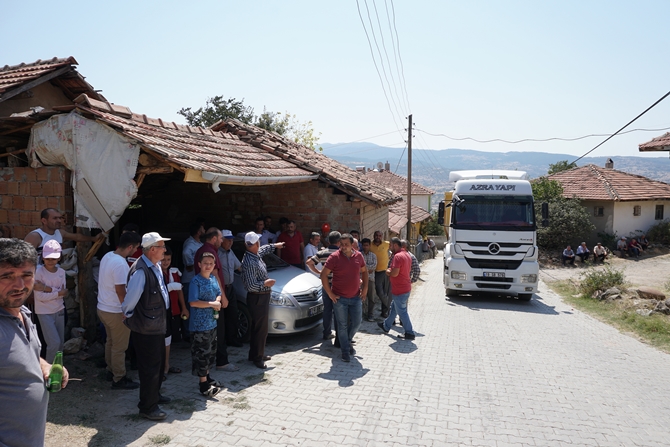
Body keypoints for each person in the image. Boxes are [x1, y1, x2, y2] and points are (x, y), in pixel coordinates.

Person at [0, 238, 69, 447]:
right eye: (7, 276)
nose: (20, 285)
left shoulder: (24, 313)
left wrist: (45, 366)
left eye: (27, 275)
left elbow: (22, 355)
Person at [123, 232, 173, 421]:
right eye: (161, 246)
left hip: (157, 323)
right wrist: (127, 315)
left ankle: (155, 395)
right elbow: (130, 299)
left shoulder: (155, 265)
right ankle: (147, 406)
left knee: (157, 364)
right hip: (146, 326)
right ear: (152, 249)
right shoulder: (141, 271)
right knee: (149, 368)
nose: (164, 250)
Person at [97, 231, 142, 389]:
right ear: (130, 247)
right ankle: (119, 378)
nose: (136, 251)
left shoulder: (108, 256)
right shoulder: (121, 264)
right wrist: (127, 311)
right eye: (135, 248)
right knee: (119, 347)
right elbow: (121, 291)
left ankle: (111, 370)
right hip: (115, 310)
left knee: (110, 342)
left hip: (103, 308)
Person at [194, 228, 237, 372]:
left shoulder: (204, 250)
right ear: (213, 239)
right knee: (219, 330)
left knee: (212, 330)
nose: (222, 241)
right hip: (212, 298)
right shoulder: (210, 252)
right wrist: (223, 296)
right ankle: (221, 361)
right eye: (220, 238)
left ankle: (209, 362)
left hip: (207, 297)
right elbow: (215, 275)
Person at [321, 233, 368, 362]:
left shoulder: (358, 256)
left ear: (352, 244)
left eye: (346, 244)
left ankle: (346, 342)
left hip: (355, 297)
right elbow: (323, 275)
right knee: (342, 326)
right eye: (341, 244)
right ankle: (345, 351)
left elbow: (365, 272)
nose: (343, 247)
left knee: (357, 323)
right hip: (339, 299)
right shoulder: (334, 257)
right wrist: (330, 293)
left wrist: (365, 289)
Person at [241, 232, 284, 369]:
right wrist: (266, 284)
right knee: (261, 329)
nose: (259, 243)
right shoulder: (249, 262)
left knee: (257, 328)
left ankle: (255, 354)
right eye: (257, 241)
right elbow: (250, 285)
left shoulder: (254, 253)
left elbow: (263, 249)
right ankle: (258, 358)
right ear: (253, 244)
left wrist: (274, 246)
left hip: (260, 297)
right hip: (257, 297)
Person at [189, 252, 224, 397]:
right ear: (199, 265)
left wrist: (218, 300)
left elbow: (218, 293)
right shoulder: (195, 281)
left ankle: (208, 378)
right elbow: (193, 302)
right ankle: (203, 385)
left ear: (214, 265)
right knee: (201, 354)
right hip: (199, 325)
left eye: (211, 263)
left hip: (212, 323)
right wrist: (213, 304)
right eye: (205, 263)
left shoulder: (213, 279)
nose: (208, 265)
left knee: (210, 352)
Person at [33, 240, 67, 362]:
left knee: (60, 344)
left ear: (59, 258)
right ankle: (49, 373)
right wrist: (56, 292)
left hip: (59, 309)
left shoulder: (61, 272)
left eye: (54, 258)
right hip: (44, 312)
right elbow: (40, 297)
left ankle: (58, 370)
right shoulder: (38, 272)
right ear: (42, 257)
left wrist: (46, 289)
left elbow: (63, 294)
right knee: (54, 343)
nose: (50, 261)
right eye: (47, 258)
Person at [378, 238, 416, 340]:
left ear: (395, 245)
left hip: (400, 289)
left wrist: (388, 272)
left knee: (402, 312)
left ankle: (409, 332)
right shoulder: (406, 254)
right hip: (404, 288)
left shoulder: (398, 256)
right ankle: (386, 326)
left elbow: (395, 273)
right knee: (394, 308)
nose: (389, 247)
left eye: (390, 245)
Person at [24, 208, 104, 256]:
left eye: (60, 218)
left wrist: (93, 238)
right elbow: (24, 257)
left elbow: (77, 237)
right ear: (44, 221)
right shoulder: (35, 236)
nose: (59, 221)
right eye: (55, 218)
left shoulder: (60, 233)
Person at [306, 231, 341, 340]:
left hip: (326, 285)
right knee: (339, 311)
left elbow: (309, 262)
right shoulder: (342, 253)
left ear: (329, 241)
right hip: (338, 286)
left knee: (327, 310)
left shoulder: (323, 253)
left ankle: (326, 332)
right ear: (339, 242)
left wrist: (318, 272)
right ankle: (339, 335)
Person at [161, 246, 188, 378]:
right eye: (163, 259)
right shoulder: (156, 273)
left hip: (173, 311)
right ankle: (163, 367)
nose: (165, 262)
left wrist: (183, 307)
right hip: (161, 312)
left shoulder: (174, 272)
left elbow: (179, 291)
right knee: (162, 340)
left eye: (168, 259)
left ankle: (166, 365)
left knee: (169, 340)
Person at [218, 229, 243, 348]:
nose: (230, 242)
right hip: (220, 289)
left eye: (231, 240)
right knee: (221, 318)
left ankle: (232, 339)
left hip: (230, 287)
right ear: (221, 240)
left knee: (233, 314)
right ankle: (221, 341)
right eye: (228, 240)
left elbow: (239, 267)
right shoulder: (216, 253)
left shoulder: (230, 252)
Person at [181, 222, 205, 342]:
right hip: (189, 280)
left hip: (196, 280)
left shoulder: (198, 243)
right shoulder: (190, 244)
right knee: (188, 307)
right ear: (198, 232)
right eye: (202, 228)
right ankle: (186, 333)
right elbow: (186, 254)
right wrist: (192, 264)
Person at [369, 231, 392, 318]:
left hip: (384, 271)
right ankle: (391, 307)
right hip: (374, 272)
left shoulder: (387, 244)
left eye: (380, 235)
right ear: (373, 236)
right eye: (376, 235)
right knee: (379, 292)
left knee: (385, 292)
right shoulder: (370, 245)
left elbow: (394, 249)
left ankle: (384, 312)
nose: (378, 237)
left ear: (382, 236)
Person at [360, 238, 377, 322]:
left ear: (369, 246)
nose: (365, 247)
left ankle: (370, 314)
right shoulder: (359, 255)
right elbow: (358, 268)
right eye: (364, 245)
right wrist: (366, 269)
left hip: (371, 279)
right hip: (360, 280)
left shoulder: (373, 256)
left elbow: (373, 267)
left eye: (367, 245)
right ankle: (362, 314)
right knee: (362, 297)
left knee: (371, 298)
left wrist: (363, 269)